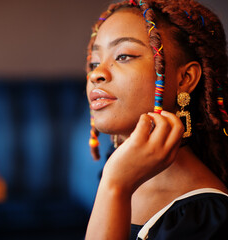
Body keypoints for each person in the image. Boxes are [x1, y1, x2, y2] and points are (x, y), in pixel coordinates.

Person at [84, 0, 228, 239]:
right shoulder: (119, 166)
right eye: (94, 62)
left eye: (123, 56)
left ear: (185, 79)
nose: (97, 73)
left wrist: (115, 187)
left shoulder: (205, 218)